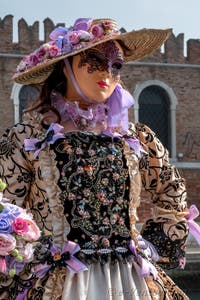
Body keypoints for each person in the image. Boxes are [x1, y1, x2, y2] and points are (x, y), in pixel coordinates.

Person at [0, 17, 190, 299]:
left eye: (116, 65)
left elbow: (171, 192)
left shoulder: (137, 138)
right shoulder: (28, 137)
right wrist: (32, 253)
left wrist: (152, 246)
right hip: (59, 282)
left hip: (131, 282)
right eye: (96, 61)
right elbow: (6, 205)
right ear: (66, 65)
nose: (108, 73)